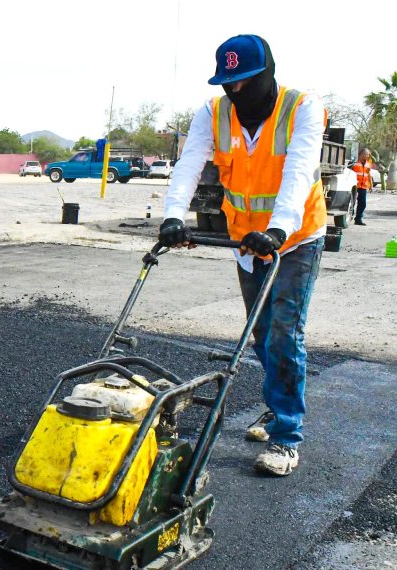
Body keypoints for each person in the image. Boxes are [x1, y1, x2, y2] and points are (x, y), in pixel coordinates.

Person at [159, 34, 325, 477]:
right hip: (245, 240)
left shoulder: (302, 108)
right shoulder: (212, 113)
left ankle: (287, 436)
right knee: (262, 331)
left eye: (244, 82)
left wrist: (278, 228)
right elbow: (190, 163)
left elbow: (298, 170)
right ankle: (277, 405)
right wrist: (173, 216)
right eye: (228, 84)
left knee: (285, 334)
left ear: (266, 74)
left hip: (296, 237)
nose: (235, 92)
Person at [350, 148, 373, 225]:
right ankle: (349, 215)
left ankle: (358, 219)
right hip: (354, 186)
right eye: (366, 154)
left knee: (362, 204)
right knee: (351, 202)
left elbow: (369, 175)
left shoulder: (368, 164)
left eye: (368, 154)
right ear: (361, 155)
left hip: (363, 187)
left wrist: (371, 185)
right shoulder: (354, 163)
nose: (367, 156)